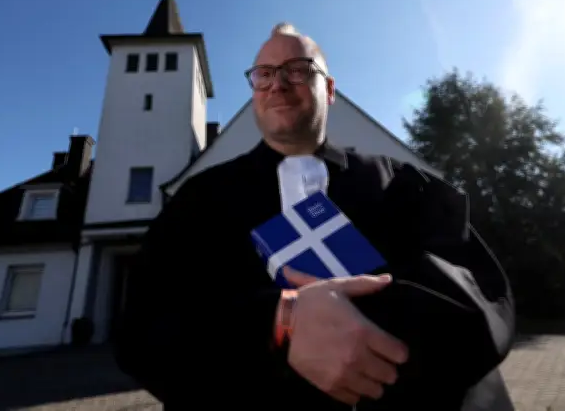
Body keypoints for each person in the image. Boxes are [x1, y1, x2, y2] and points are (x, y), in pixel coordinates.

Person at [113, 22, 516, 410]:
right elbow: (147, 330)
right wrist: (278, 320)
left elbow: (479, 300)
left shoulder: (404, 185)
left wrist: (370, 327)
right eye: (264, 74)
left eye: (298, 70)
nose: (278, 84)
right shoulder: (199, 201)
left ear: (330, 88)